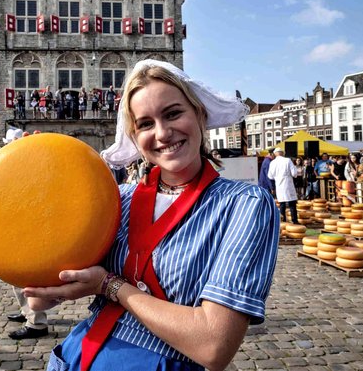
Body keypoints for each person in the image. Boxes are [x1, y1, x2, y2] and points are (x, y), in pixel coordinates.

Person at [23, 59, 278, 371]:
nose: (162, 133)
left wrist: (109, 286)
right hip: (78, 357)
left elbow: (213, 346)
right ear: (135, 136)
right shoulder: (117, 199)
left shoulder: (243, 204)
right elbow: (40, 299)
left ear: (199, 113)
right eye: (145, 124)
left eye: (173, 114)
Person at [268, 147, 299, 224]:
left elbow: (270, 176)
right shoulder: (288, 160)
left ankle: (283, 221)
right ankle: (294, 220)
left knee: (282, 204)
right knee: (292, 203)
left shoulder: (272, 163)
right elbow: (294, 174)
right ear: (282, 153)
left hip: (279, 185)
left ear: (275, 154)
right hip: (288, 184)